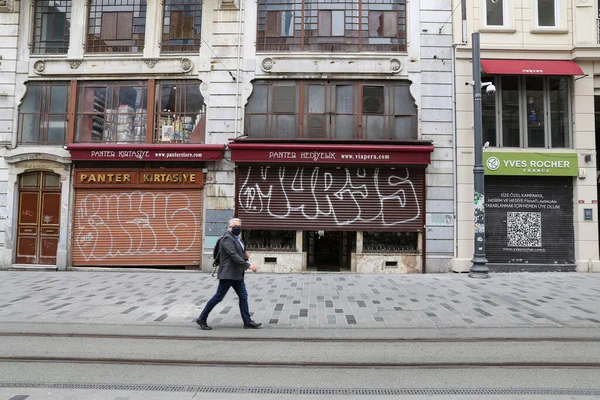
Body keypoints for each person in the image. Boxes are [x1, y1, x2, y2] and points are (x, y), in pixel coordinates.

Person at [196, 218, 262, 330]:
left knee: (243, 296)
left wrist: (245, 254)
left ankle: (247, 321)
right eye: (235, 226)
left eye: (239, 226)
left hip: (236, 274)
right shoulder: (227, 238)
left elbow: (238, 252)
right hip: (228, 273)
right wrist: (248, 265)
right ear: (229, 227)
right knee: (218, 297)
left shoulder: (237, 238)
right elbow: (232, 255)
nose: (237, 228)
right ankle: (202, 318)